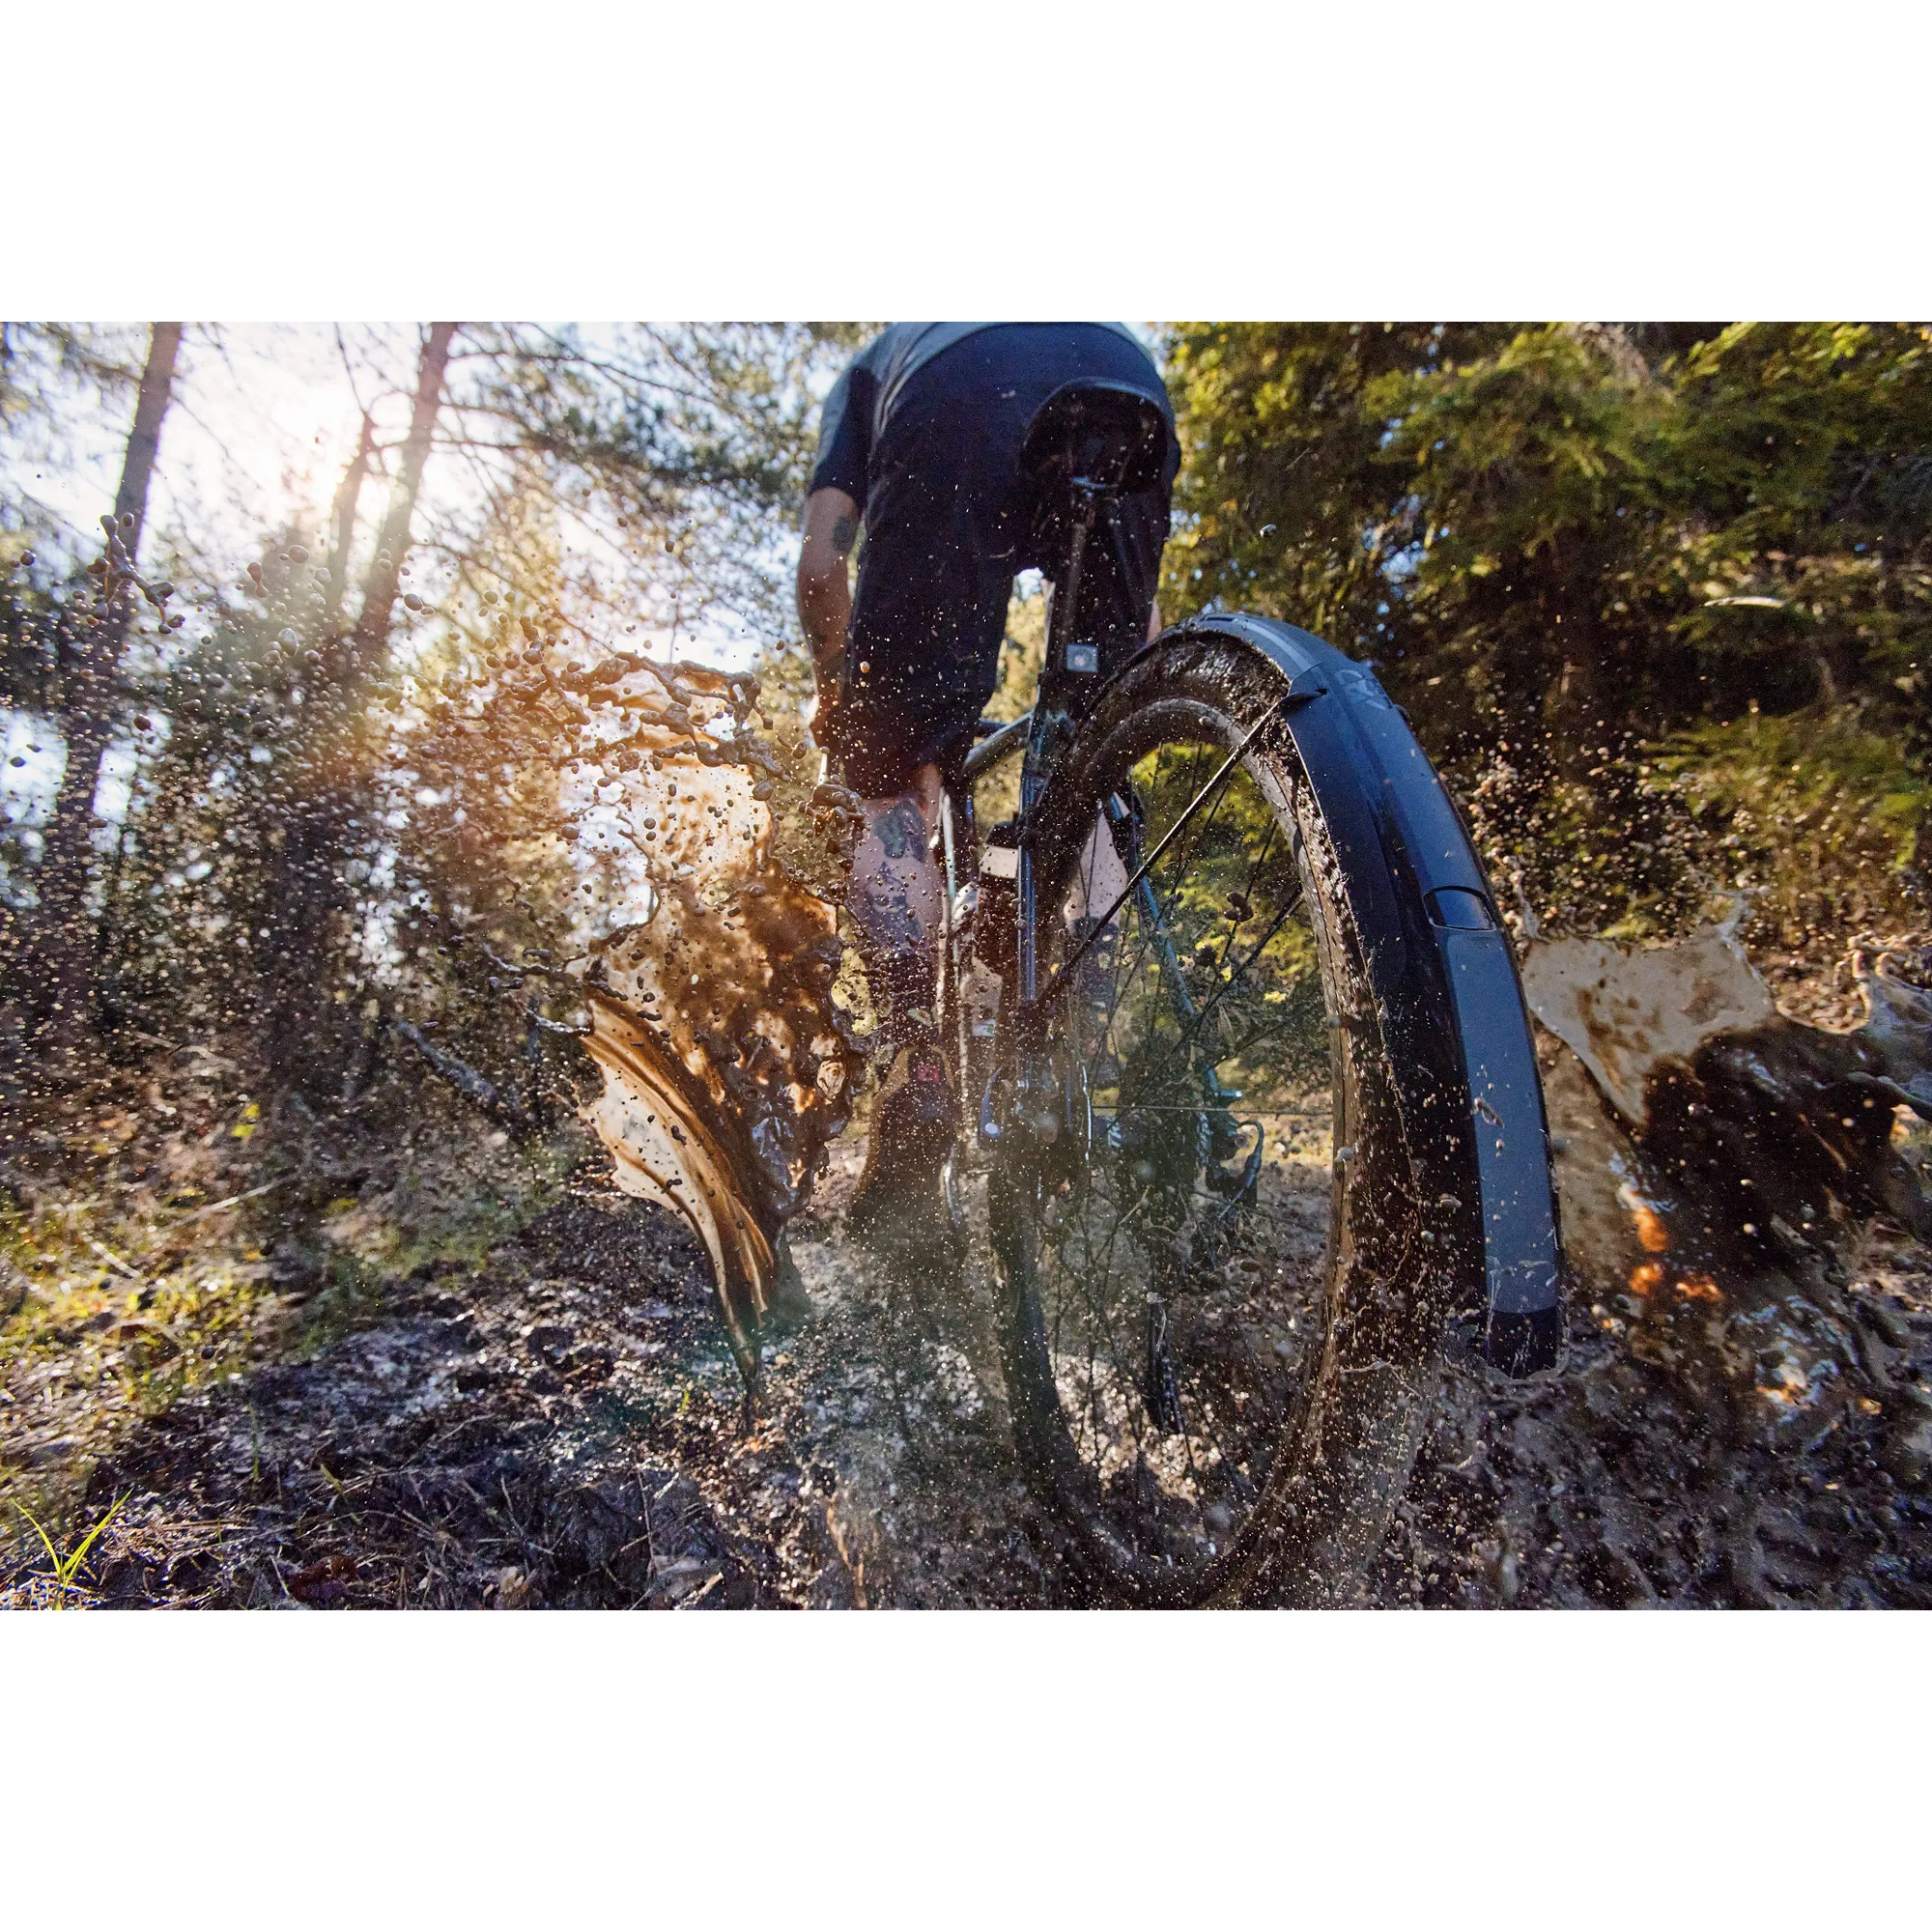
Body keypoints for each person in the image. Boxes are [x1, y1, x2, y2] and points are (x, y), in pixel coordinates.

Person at [795, 324, 1179, 1231]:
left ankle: (915, 1068)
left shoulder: (878, 361)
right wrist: (1103, 706)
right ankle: (1082, 1035)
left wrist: (848, 707)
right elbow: (1147, 630)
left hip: (950, 397)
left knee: (887, 778)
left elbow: (820, 568)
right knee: (1093, 755)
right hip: (1126, 383)